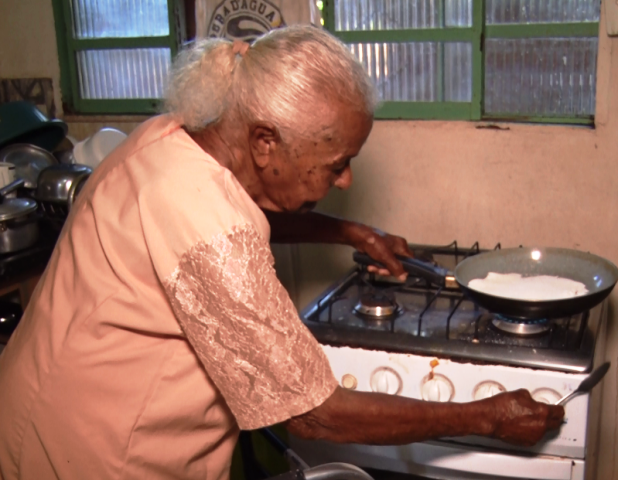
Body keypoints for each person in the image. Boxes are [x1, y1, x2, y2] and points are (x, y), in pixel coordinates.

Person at [0, 26, 563, 480]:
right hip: (105, 452)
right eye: (336, 161)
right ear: (266, 142)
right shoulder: (210, 223)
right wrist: (487, 415)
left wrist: (350, 233)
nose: (344, 179)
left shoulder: (172, 138)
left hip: (34, 403)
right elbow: (313, 413)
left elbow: (240, 208)